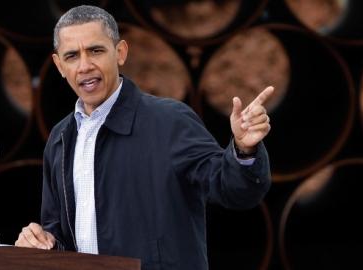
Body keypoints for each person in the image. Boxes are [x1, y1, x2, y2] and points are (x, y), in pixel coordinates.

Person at [15, 5, 273, 270]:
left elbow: (232, 189)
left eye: (96, 50)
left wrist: (243, 149)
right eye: (72, 56)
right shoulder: (60, 138)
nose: (85, 66)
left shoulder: (169, 121)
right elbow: (59, 235)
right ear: (59, 65)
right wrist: (41, 243)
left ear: (120, 53)